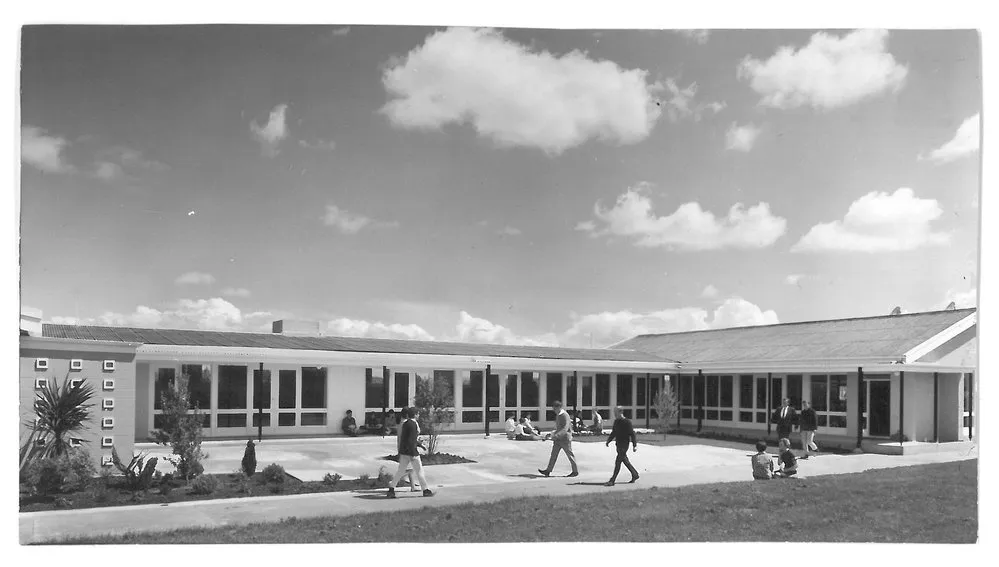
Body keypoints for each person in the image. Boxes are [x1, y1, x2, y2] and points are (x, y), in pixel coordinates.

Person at [387, 407, 433, 498]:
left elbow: (407, 439)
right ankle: (426, 490)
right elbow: (411, 440)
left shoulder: (405, 423)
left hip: (404, 452)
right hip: (411, 452)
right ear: (415, 414)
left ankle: (391, 489)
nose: (419, 415)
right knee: (419, 470)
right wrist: (412, 453)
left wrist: (420, 445)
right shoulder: (413, 424)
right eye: (418, 413)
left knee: (400, 471)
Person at [538, 401, 578, 477]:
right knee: (553, 455)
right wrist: (550, 434)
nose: (554, 410)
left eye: (555, 408)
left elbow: (565, 428)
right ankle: (548, 470)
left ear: (559, 407)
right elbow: (558, 428)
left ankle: (575, 471)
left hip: (565, 439)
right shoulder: (558, 415)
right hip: (558, 439)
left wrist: (556, 436)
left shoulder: (565, 415)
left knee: (570, 455)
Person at [604, 405, 639, 486]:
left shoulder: (627, 422)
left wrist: (634, 445)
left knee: (618, 462)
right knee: (625, 461)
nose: (614, 414)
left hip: (624, 444)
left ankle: (612, 480)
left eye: (615, 412)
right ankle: (635, 474)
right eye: (614, 412)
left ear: (620, 412)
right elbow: (614, 432)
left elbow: (632, 434)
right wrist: (608, 441)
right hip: (618, 444)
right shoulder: (616, 421)